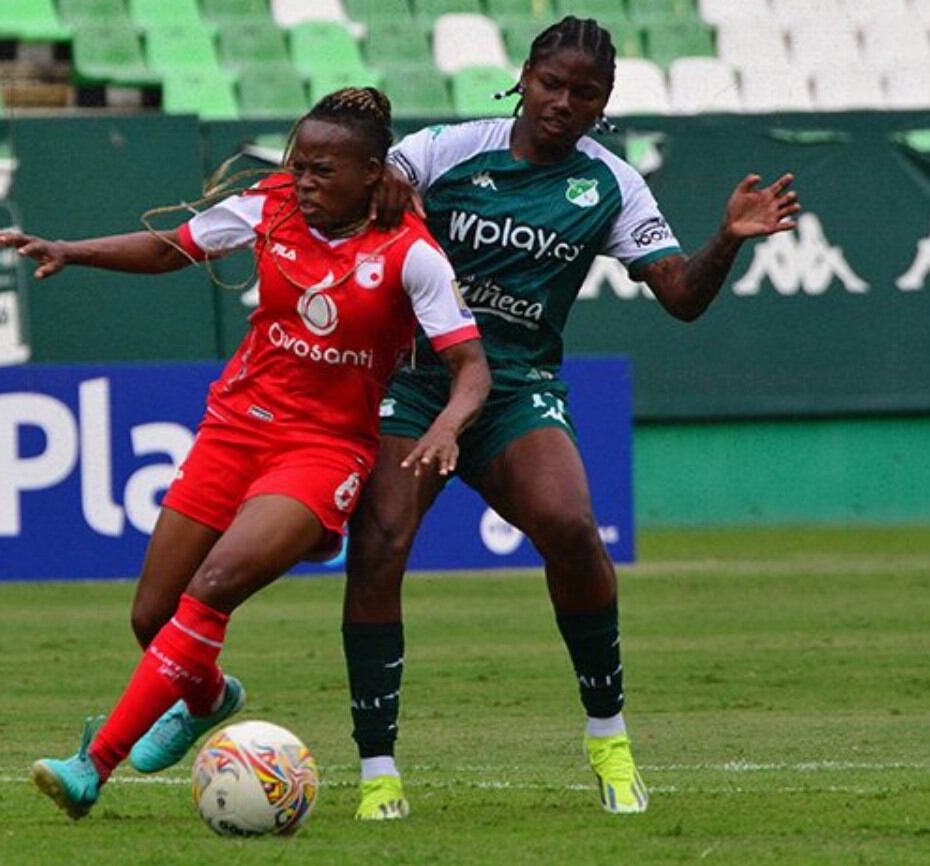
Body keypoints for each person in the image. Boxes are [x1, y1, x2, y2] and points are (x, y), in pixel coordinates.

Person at [339, 15, 803, 821]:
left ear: (604, 103)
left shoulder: (612, 185)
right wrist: (382, 186)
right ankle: (379, 770)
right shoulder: (448, 148)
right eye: (551, 84)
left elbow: (682, 299)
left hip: (517, 385)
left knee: (571, 526)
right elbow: (370, 182)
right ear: (523, 77)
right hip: (415, 382)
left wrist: (727, 239)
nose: (561, 102)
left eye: (582, 93)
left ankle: (609, 736)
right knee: (378, 546)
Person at [0, 88, 492, 819]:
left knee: (216, 582)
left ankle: (91, 766)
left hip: (323, 449)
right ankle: (209, 697)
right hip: (236, 427)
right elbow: (174, 246)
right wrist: (73, 250)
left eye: (322, 170)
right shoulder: (273, 203)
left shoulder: (410, 253)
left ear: (372, 173)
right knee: (152, 617)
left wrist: (448, 423)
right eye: (299, 165)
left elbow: (472, 367)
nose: (304, 181)